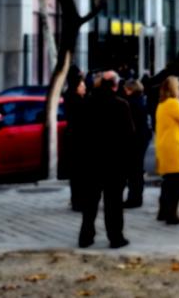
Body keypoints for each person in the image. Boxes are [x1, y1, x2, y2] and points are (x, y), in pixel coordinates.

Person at [78, 71, 135, 248]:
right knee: (114, 203)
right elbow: (129, 136)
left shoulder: (87, 103)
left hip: (91, 161)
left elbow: (79, 134)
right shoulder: (121, 105)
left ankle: (86, 236)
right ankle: (115, 237)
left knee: (90, 203)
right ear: (115, 85)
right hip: (114, 163)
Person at [154, 75, 179, 224]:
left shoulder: (162, 104)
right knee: (176, 182)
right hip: (174, 146)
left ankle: (163, 211)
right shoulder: (173, 103)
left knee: (168, 181)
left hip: (164, 145)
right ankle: (172, 214)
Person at [122, 80, 151, 208]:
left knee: (134, 171)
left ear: (130, 89)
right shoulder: (140, 100)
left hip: (135, 140)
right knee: (137, 170)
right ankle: (136, 197)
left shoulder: (131, 103)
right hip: (142, 138)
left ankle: (134, 198)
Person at [63, 67, 87, 211]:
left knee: (76, 172)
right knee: (80, 172)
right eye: (82, 84)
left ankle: (76, 200)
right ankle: (79, 201)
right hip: (79, 139)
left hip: (73, 137)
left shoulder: (69, 95)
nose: (84, 86)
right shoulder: (77, 100)